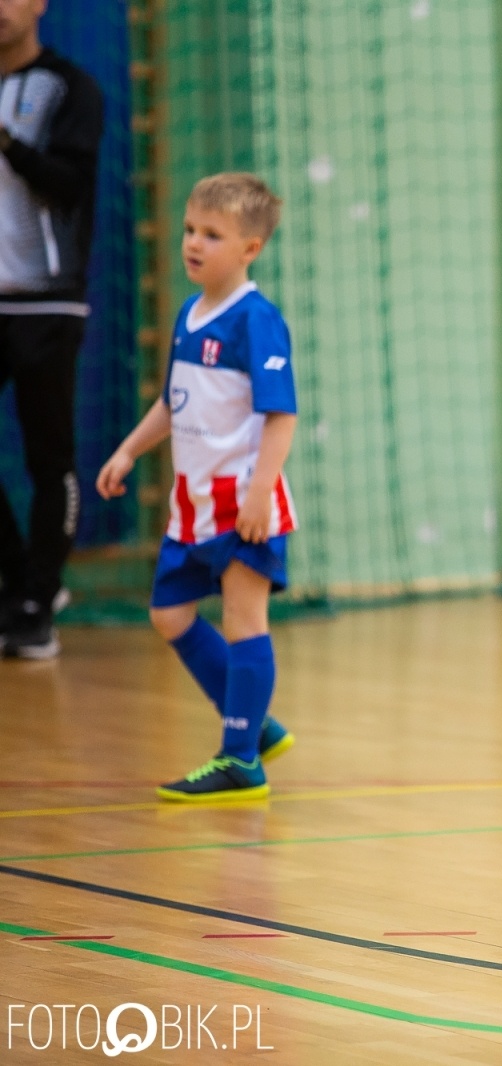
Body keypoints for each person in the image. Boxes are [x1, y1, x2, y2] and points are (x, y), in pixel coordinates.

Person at [95, 173, 297, 802]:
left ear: (250, 249)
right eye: (189, 229)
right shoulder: (189, 313)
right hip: (193, 504)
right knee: (169, 615)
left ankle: (239, 757)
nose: (193, 243)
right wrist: (129, 448)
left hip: (243, 501)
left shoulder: (257, 321)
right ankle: (251, 724)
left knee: (244, 620)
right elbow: (173, 401)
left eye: (212, 234)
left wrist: (261, 490)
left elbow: (280, 413)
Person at [0, 0, 103, 658]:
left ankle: (39, 599)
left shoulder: (70, 88)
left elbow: (70, 186)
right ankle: (21, 581)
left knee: (49, 457)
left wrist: (8, 143)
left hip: (47, 301)